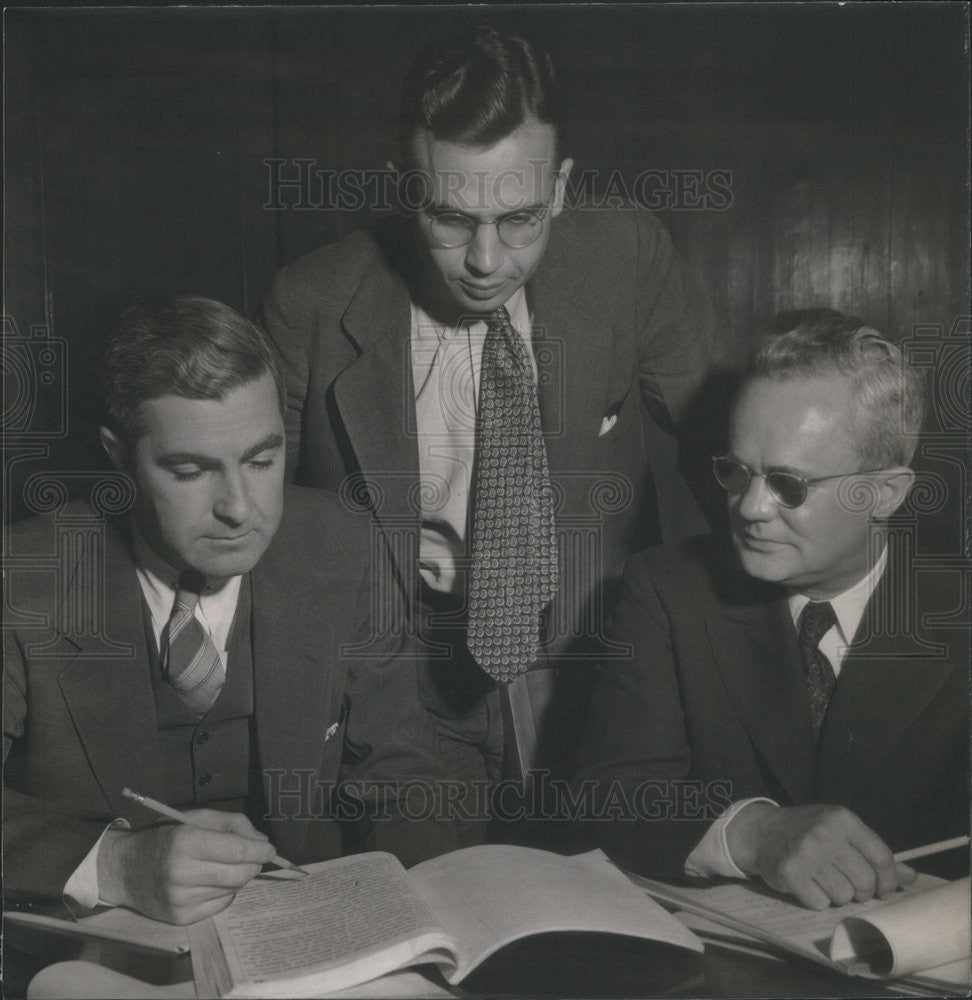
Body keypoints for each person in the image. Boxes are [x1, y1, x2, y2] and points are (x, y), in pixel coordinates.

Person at [260, 23, 711, 791]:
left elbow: (722, 448)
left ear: (561, 187)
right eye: (452, 219)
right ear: (409, 187)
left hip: (588, 668)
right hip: (397, 683)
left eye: (521, 219)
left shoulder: (627, 256)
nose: (486, 261)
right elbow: (261, 523)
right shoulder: (311, 301)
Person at [3, 297, 454, 926]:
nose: (240, 508)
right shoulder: (22, 580)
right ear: (118, 456)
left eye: (262, 461)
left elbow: (405, 772)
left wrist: (421, 922)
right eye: (191, 471)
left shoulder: (341, 542)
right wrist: (116, 864)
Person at [576, 309, 968, 909]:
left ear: (884, 493)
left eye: (789, 484)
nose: (750, 508)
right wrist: (754, 833)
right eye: (736, 472)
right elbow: (611, 796)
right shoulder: (666, 588)